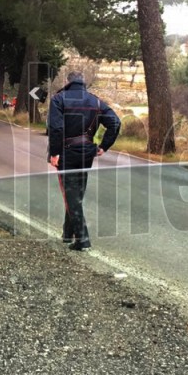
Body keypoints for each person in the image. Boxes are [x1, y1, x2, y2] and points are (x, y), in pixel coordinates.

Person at [47, 71, 120, 251]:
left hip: (66, 151)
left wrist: (54, 153)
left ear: (67, 81)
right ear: (83, 83)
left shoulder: (59, 99)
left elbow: (56, 128)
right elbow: (115, 123)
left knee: (71, 195)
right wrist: (104, 146)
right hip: (87, 152)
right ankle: (67, 233)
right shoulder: (95, 101)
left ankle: (82, 239)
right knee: (76, 193)